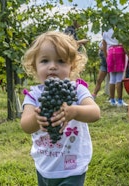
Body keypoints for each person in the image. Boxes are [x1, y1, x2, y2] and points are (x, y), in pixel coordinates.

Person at [20, 31, 101, 186]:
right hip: (45, 165)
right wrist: (37, 120)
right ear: (34, 67)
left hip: (73, 166)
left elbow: (95, 113)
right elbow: (25, 125)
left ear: (72, 66)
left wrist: (75, 111)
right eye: (45, 61)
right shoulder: (34, 96)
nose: (53, 67)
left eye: (61, 61)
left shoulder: (77, 90)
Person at [102, 28, 129, 107]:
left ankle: (112, 100)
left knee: (112, 78)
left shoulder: (105, 31)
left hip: (110, 52)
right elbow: (125, 45)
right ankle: (120, 101)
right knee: (119, 78)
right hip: (119, 51)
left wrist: (107, 57)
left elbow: (104, 46)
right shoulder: (120, 29)